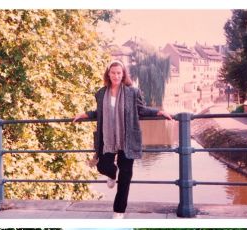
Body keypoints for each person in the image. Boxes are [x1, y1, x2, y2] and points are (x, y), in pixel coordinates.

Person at [73, 60, 173, 219]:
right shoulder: (101, 93)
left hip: (127, 138)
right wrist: (84, 115)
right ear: (108, 74)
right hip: (107, 138)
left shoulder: (132, 92)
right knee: (103, 166)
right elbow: (99, 112)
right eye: (113, 73)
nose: (116, 76)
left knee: (126, 176)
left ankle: (119, 211)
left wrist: (159, 112)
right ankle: (112, 174)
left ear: (123, 74)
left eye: (119, 73)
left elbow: (141, 109)